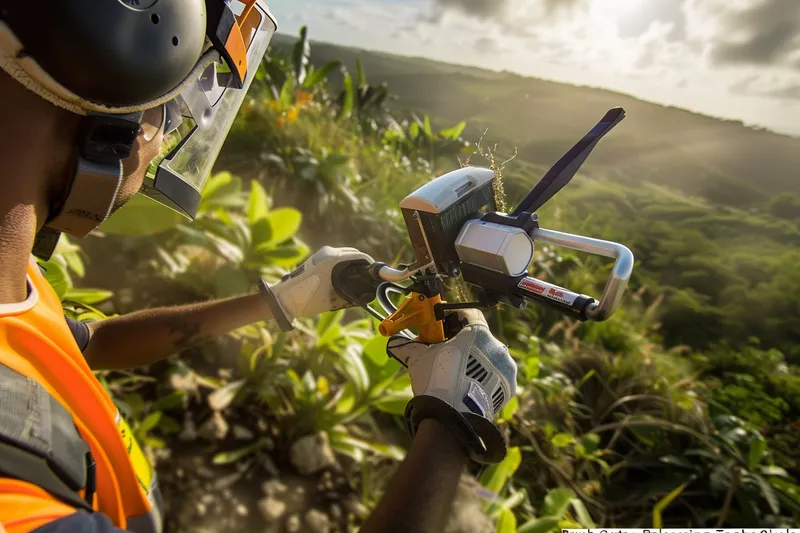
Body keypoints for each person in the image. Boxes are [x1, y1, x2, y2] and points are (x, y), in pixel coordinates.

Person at [0, 1, 518, 533]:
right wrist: (456, 421)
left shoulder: (14, 283)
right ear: (115, 82)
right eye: (170, 115)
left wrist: (279, 301)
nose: (154, 149)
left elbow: (84, 345)